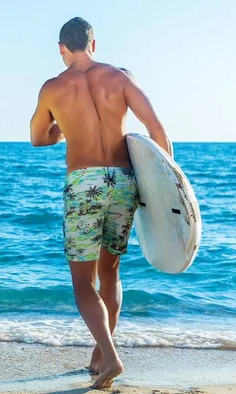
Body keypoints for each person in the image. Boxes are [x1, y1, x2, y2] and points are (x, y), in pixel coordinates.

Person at [30, 17, 172, 389]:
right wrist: (166, 192)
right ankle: (100, 353)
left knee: (82, 282)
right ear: (94, 44)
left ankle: (109, 356)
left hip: (84, 182)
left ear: (61, 49)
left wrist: (61, 128)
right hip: (124, 181)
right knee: (110, 272)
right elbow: (157, 131)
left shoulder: (52, 88)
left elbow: (37, 138)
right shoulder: (121, 77)